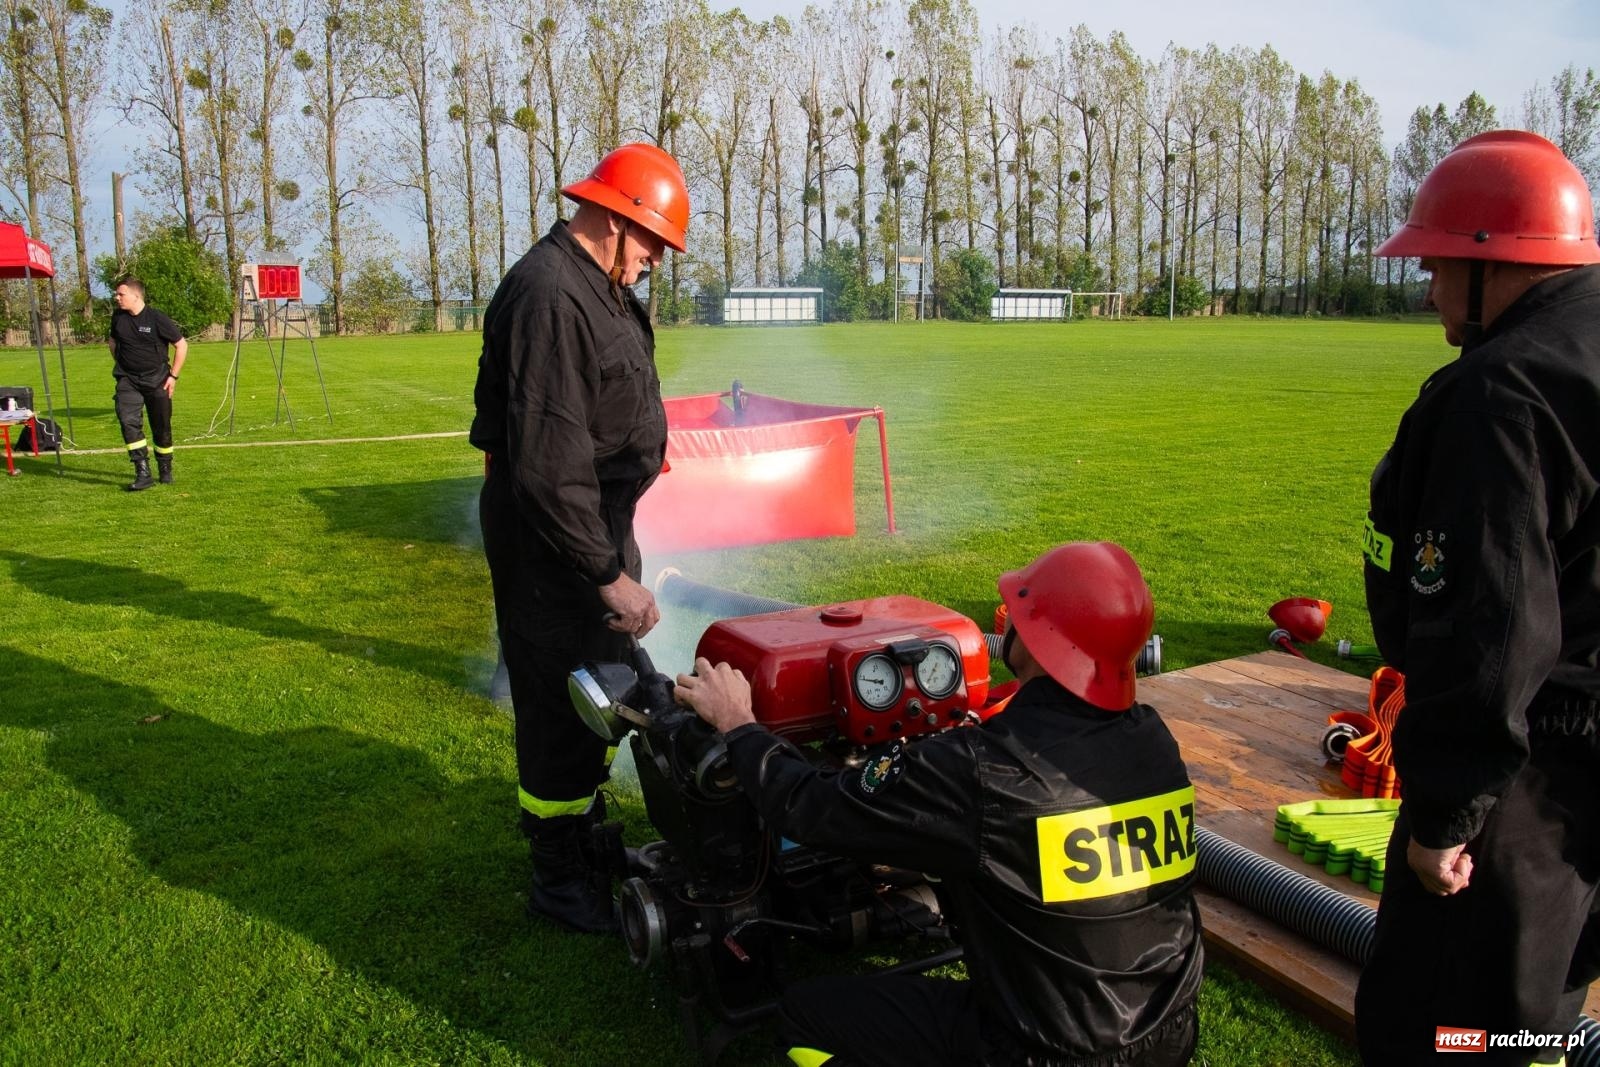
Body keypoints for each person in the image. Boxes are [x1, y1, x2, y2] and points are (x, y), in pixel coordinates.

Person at [675, 542, 1204, 1066]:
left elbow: (808, 805)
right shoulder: (1154, 740)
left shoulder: (982, 771)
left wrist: (739, 724)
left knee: (805, 1014)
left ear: (1035, 637)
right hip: (1170, 1033)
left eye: (1017, 613)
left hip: (1043, 1053)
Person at [1354, 130, 1600, 1066]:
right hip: (1585, 775)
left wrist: (1445, 815)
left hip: (1527, 777)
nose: (1427, 291)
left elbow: (1488, 625)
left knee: (1450, 1030)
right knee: (1542, 1009)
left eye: (1440, 265)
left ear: (1495, 264)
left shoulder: (1502, 393)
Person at [469, 142, 690, 933]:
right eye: (653, 241)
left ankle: (588, 841)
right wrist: (607, 573)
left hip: (589, 528)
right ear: (616, 216)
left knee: (603, 690)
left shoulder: (598, 287)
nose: (656, 260)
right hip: (550, 544)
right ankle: (558, 879)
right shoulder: (549, 295)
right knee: (561, 703)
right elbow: (548, 463)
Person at [108, 276, 187, 491]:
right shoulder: (118, 318)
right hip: (128, 380)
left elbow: (181, 345)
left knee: (161, 427)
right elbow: (113, 342)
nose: (117, 298)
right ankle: (142, 472)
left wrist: (173, 377)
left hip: (157, 380)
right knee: (128, 422)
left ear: (136, 295)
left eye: (121, 294)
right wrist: (123, 365)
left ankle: (165, 469)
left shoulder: (156, 318)